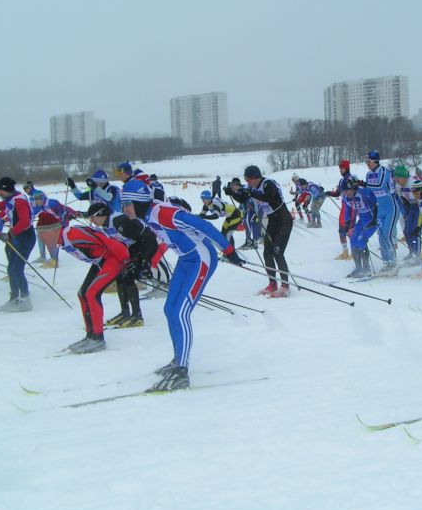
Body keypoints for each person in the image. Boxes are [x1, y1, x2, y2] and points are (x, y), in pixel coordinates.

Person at [122, 178, 244, 391]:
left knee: (180, 313)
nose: (124, 209)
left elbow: (203, 225)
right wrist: (146, 264)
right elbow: (167, 242)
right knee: (170, 310)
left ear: (140, 201)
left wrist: (228, 250)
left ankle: (181, 370)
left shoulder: (164, 213)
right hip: (186, 259)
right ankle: (178, 360)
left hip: (201, 260)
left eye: (127, 204)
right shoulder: (148, 216)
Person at [60, 222, 131, 354]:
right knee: (82, 294)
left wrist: (124, 258)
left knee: (92, 294)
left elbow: (101, 237)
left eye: (43, 233)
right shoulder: (63, 238)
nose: (42, 237)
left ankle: (98, 337)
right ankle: (90, 335)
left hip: (113, 259)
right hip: (100, 261)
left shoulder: (72, 234)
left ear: (54, 230)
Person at [88, 202, 159, 328]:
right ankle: (125, 312)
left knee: (128, 277)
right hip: (134, 248)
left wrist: (143, 260)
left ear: (101, 214)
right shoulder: (107, 224)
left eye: (92, 217)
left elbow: (148, 237)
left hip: (146, 245)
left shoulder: (119, 221)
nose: (91, 221)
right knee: (120, 276)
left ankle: (137, 315)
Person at [226, 165, 294, 297]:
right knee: (267, 252)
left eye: (248, 179)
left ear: (255, 177)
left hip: (283, 219)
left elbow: (269, 197)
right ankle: (272, 284)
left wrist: (250, 192)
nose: (247, 182)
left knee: (277, 252)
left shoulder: (268, 184)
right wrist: (232, 193)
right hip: (273, 221)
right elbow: (243, 199)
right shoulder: (252, 188)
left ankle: (285, 285)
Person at [0, 177, 36, 312]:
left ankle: (25, 300)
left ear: (6, 189)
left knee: (16, 269)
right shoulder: (11, 199)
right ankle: (14, 298)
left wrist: (10, 234)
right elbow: (3, 206)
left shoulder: (19, 201)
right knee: (11, 268)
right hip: (16, 236)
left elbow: (25, 222)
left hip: (25, 237)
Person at [364, 150, 399, 275]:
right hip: (381, 209)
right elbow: (368, 190)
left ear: (375, 161)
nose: (367, 164)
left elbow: (379, 184)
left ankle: (394, 263)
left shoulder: (384, 171)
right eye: (366, 161)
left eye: (369, 161)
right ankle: (387, 263)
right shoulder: (369, 174)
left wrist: (365, 185)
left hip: (391, 207)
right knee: (381, 237)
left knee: (387, 235)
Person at [341, 176, 377, 278]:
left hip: (371, 220)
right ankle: (358, 268)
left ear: (352, 188)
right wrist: (348, 226)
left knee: (361, 240)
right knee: (353, 238)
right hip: (361, 220)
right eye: (344, 191)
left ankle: (366, 269)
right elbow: (348, 212)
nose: (346, 193)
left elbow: (375, 202)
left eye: (347, 191)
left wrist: (375, 219)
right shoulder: (346, 198)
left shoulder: (362, 193)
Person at [31, 190, 78, 268]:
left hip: (61, 223)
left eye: (36, 200)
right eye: (34, 200)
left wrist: (73, 214)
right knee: (40, 235)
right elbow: (33, 212)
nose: (35, 202)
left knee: (49, 237)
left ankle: (54, 260)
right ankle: (43, 257)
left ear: (42, 198)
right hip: (53, 224)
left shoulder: (51, 203)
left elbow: (63, 211)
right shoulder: (42, 205)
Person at [324, 159, 355, 260]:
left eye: (342, 168)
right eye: (339, 168)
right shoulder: (341, 180)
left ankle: (355, 252)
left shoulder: (352, 178)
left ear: (347, 168)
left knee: (350, 231)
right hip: (344, 207)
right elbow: (338, 193)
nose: (340, 170)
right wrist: (328, 193)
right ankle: (345, 252)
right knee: (342, 230)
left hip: (351, 207)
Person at [393, 165, 421, 265]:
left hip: (420, 207)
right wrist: (405, 212)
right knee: (407, 230)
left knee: (415, 231)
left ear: (404, 177)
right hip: (411, 208)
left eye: (398, 177)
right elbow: (401, 200)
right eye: (395, 177)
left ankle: (418, 255)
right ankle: (412, 252)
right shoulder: (398, 186)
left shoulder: (412, 183)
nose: (396, 179)